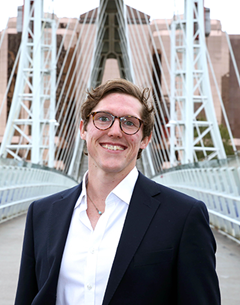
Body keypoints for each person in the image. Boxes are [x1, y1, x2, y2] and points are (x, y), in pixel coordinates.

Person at [15, 78, 220, 305]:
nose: (114, 131)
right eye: (103, 118)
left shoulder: (184, 216)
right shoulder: (41, 214)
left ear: (145, 139)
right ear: (83, 129)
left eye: (130, 123)